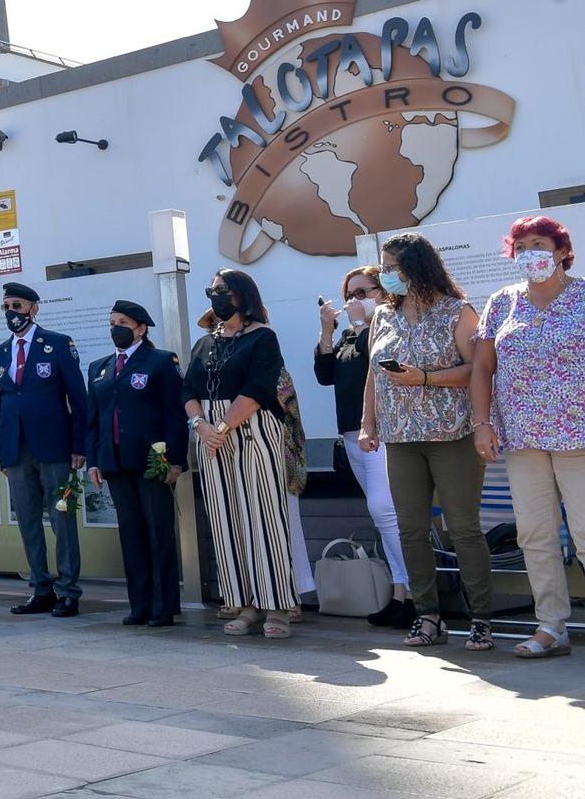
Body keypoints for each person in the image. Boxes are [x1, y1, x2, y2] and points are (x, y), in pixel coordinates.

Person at [361, 232, 492, 652]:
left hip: (452, 433)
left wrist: (426, 377)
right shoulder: (382, 315)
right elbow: (373, 374)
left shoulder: (457, 311)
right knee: (411, 530)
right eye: (383, 267)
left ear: (417, 268)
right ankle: (428, 615)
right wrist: (368, 423)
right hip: (401, 437)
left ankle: (482, 619)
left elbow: (477, 369)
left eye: (391, 267)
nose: (385, 275)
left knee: (464, 528)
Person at [473, 214, 585, 659]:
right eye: (521, 248)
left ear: (560, 250)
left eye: (539, 244)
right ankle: (551, 627)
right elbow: (482, 369)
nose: (530, 255)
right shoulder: (502, 303)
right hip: (522, 438)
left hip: (578, 434)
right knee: (535, 534)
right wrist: (483, 422)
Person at [184, 270, 297, 638]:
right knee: (227, 521)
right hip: (211, 437)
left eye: (223, 291)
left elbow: (258, 389)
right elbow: (188, 391)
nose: (216, 296)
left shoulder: (263, 337)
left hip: (253, 432)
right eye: (212, 291)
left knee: (264, 519)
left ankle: (278, 605)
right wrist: (201, 427)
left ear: (242, 296)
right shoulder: (204, 344)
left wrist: (220, 429)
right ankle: (244, 602)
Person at [315, 265, 412, 627]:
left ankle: (414, 592)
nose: (356, 301)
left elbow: (379, 367)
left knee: (385, 510)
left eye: (363, 292)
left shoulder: (387, 328)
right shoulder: (348, 337)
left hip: (383, 431)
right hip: (351, 433)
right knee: (382, 517)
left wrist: (359, 327)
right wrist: (329, 331)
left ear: (382, 292)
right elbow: (326, 376)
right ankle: (400, 592)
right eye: (350, 295)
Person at [86, 300, 187, 628]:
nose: (116, 327)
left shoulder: (160, 361)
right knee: (130, 534)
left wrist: (176, 460)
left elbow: (175, 414)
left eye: (123, 322)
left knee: (158, 532)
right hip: (114, 463)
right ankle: (139, 605)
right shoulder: (99, 367)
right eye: (112, 321)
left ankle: (163, 606)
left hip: (151, 462)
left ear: (141, 328)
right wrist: (93, 461)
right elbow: (93, 420)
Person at [0, 282, 89, 618]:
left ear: (34, 308)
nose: (11, 313)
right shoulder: (0, 353)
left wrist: (79, 445)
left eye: (16, 306)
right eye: (6, 307)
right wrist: (4, 456)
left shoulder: (58, 345)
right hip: (17, 451)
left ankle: (68, 591)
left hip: (55, 447)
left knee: (62, 519)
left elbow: (78, 398)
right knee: (28, 521)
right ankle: (40, 588)